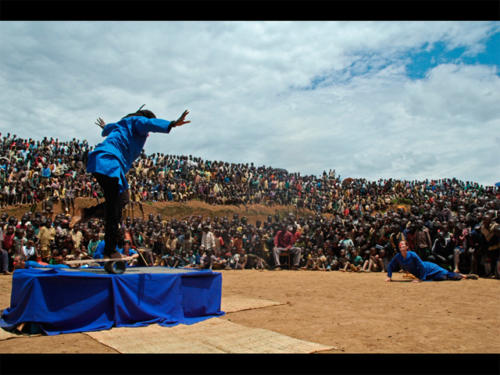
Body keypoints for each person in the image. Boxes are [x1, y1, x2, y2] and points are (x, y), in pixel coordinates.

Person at [72, 106, 190, 262]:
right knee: (116, 208)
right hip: (110, 161)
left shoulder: (121, 124)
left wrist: (104, 127)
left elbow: (108, 129)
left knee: (119, 201)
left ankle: (88, 214)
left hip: (98, 160)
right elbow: (150, 124)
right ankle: (109, 249)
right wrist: (172, 124)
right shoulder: (138, 121)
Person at [385, 240, 478, 282]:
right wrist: (389, 276)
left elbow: (421, 265)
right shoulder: (398, 256)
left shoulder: (412, 254)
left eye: (403, 246)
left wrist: (421, 279)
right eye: (400, 246)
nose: (402, 247)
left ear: (407, 247)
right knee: (441, 278)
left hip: (428, 268)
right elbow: (390, 266)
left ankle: (464, 276)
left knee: (446, 275)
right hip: (421, 273)